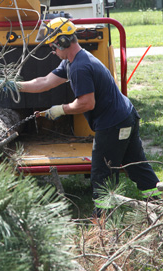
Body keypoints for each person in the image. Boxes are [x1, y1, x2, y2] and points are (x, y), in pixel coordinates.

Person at [17, 17, 160, 212]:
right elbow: (44, 81)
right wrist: (16, 87)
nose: (52, 51)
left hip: (113, 124)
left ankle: (103, 221)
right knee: (136, 166)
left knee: (102, 175)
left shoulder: (79, 67)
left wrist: (60, 109)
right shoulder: (72, 61)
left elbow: (86, 103)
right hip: (126, 117)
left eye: (53, 46)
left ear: (62, 42)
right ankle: (158, 204)